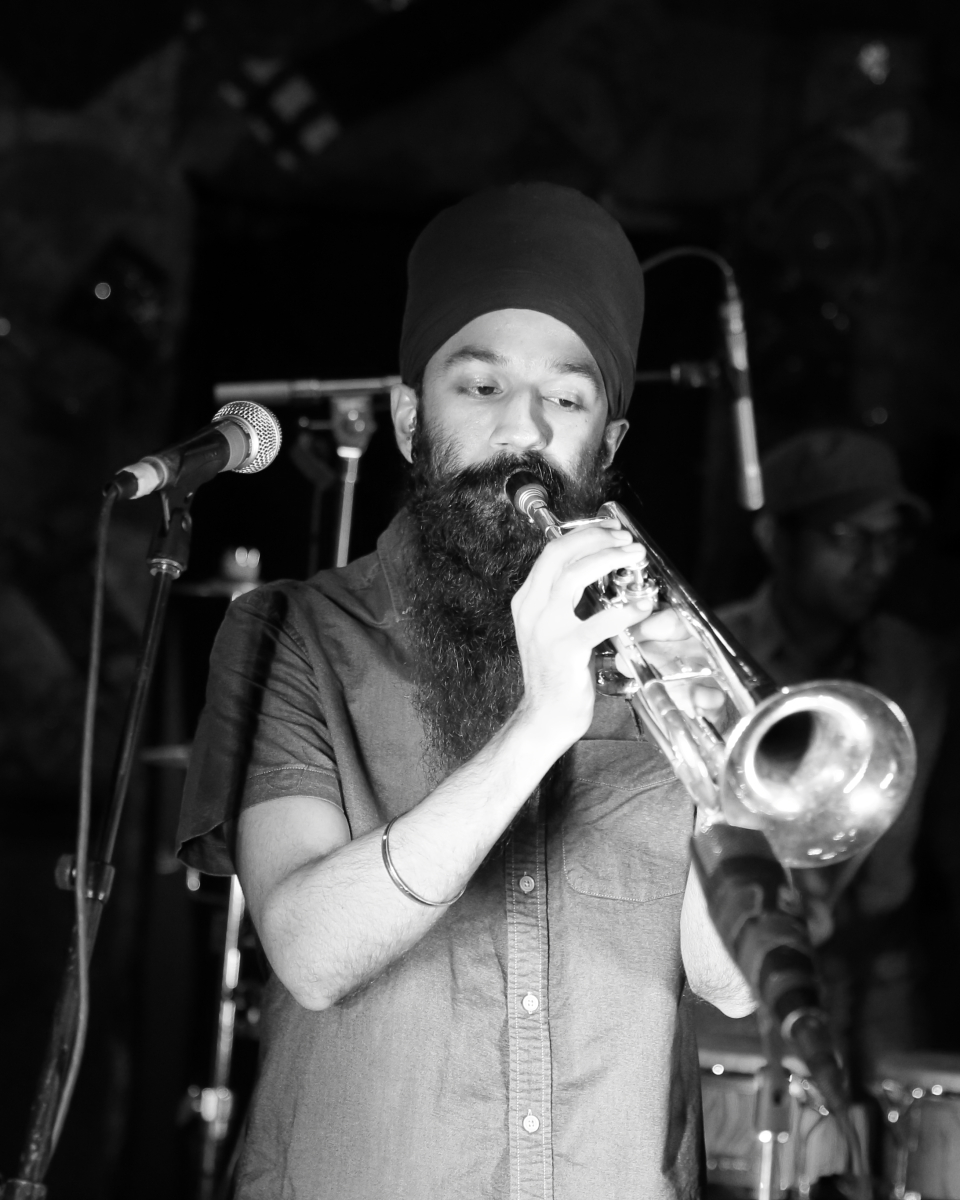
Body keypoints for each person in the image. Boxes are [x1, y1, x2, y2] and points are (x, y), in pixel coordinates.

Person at [177, 183, 754, 1200]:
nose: (521, 430)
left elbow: (735, 982)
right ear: (409, 419)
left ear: (607, 446)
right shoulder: (291, 634)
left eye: (566, 401)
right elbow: (310, 952)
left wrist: (719, 764)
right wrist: (540, 727)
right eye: (480, 386)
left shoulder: (667, 662)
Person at [717, 428, 949, 1065]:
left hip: (881, 977)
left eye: (889, 540)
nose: (875, 562)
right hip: (745, 976)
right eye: (846, 536)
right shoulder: (711, 655)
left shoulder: (912, 662)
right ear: (776, 539)